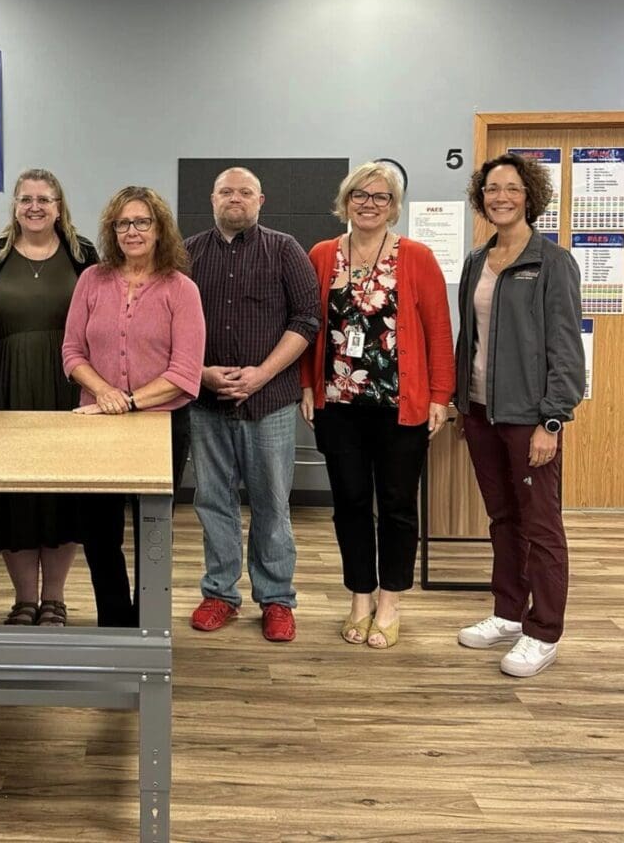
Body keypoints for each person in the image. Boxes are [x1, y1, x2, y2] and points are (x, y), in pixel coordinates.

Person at [300, 161, 455, 650]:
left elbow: (437, 330)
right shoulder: (322, 255)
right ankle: (359, 596)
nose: (369, 203)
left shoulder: (417, 257)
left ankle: (390, 599)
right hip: (339, 403)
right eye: (360, 195)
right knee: (348, 503)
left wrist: (440, 397)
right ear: (345, 202)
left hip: (400, 405)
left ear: (395, 206)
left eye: (381, 196)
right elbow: (308, 328)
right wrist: (308, 385)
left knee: (396, 504)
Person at [454, 153, 583, 678]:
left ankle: (543, 631)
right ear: (480, 196)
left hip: (530, 418)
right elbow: (471, 341)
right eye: (491, 189)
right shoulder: (475, 261)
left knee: (541, 526)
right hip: (481, 413)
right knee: (503, 518)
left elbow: (566, 349)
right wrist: (460, 404)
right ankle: (508, 613)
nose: (500, 197)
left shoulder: (552, 263)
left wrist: (552, 420)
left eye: (510, 188)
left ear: (529, 195)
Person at [186, 167, 319, 643]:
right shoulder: (187, 254)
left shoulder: (286, 250)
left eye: (244, 192)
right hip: (206, 402)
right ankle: (220, 594)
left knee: (272, 505)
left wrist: (262, 374)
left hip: (272, 403)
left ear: (261, 199)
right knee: (213, 501)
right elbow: (167, 327)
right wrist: (200, 372)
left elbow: (307, 320)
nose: (235, 198)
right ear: (213, 198)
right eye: (227, 191)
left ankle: (277, 599)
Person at [62, 186, 204, 628]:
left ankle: (149, 626)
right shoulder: (92, 280)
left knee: (152, 534)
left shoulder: (181, 289)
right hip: (96, 428)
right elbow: (71, 353)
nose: (132, 231)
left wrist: (124, 402)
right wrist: (103, 393)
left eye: (142, 222)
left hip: (159, 428)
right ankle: (115, 625)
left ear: (159, 229)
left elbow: (185, 372)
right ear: (112, 230)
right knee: (99, 534)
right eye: (123, 223)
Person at [0, 169, 98, 626]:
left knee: (62, 493)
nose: (35, 206)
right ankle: (24, 598)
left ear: (60, 206)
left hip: (69, 389)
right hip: (5, 391)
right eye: (26, 199)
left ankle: (55, 598)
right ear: (15, 206)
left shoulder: (85, 255)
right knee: (15, 496)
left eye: (45, 198)